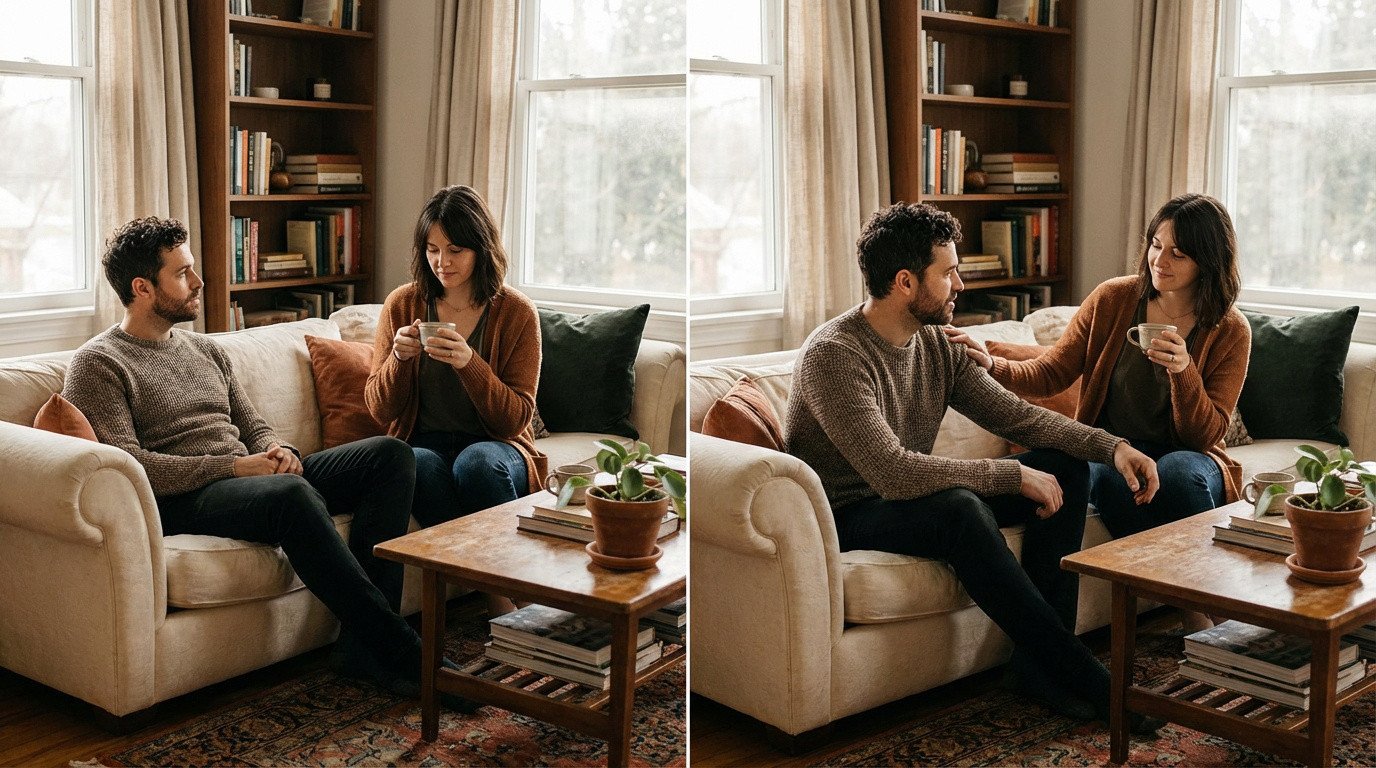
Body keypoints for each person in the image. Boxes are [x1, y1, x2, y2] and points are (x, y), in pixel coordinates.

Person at [64, 217, 476, 712]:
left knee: (390, 456)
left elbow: (253, 423)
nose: (199, 281)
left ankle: (360, 648)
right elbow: (132, 467)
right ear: (142, 288)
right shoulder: (99, 363)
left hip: (249, 478)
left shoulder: (204, 349)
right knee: (290, 494)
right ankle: (404, 652)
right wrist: (234, 468)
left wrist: (280, 450)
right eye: (182, 273)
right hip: (186, 498)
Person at [785, 201, 1163, 730]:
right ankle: (1090, 681)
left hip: (909, 496)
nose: (960, 284)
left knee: (1064, 467)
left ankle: (1036, 669)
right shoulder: (834, 355)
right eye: (949, 273)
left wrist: (1111, 446)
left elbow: (1019, 417)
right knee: (961, 509)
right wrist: (1011, 475)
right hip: (850, 512)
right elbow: (892, 472)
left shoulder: (935, 343)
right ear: (905, 282)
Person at [945, 193, 1249, 631]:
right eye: (1156, 245)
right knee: (1116, 481)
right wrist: (994, 364)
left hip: (1190, 453)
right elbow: (1051, 372)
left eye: (1178, 254)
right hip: (1110, 448)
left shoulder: (1231, 329)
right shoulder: (1114, 299)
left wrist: (1184, 373)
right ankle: (1196, 610)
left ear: (1209, 261)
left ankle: (1205, 604)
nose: (1160, 260)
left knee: (1179, 476)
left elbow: (1206, 435)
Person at [365, 185, 545, 530]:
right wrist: (398, 360)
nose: (442, 263)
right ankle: (468, 562)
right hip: (424, 443)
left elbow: (515, 420)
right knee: (411, 463)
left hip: (498, 445)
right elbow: (380, 411)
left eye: (455, 250)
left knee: (476, 464)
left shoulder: (517, 312)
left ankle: (490, 563)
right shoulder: (402, 304)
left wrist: (469, 363)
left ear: (481, 248)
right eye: (432, 250)